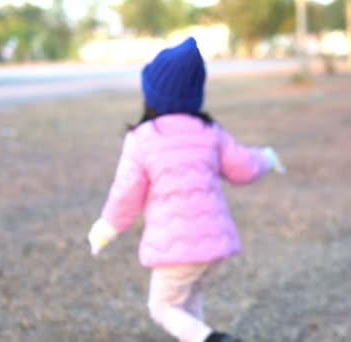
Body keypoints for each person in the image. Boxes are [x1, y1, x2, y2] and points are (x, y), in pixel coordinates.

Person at [87, 37, 285, 342]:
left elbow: (127, 192)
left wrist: (107, 228)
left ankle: (215, 340)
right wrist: (268, 158)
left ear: (151, 96)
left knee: (162, 306)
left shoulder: (142, 138)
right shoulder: (209, 132)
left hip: (176, 249)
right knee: (189, 304)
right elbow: (243, 166)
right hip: (212, 244)